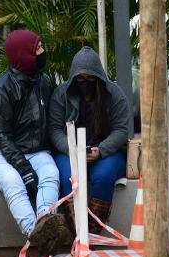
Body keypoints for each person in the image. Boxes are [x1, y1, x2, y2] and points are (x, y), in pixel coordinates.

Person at [0, 30, 72, 257]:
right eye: (37, 48)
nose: (42, 52)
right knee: (13, 182)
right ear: (24, 54)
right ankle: (35, 235)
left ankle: (44, 221)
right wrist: (25, 170)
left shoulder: (44, 82)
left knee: (50, 172)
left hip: (35, 151)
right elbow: (0, 136)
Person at [48, 46, 131, 234]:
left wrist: (101, 150)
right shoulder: (61, 94)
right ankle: (76, 230)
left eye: (90, 78)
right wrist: (72, 150)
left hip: (106, 152)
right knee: (68, 177)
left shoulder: (114, 95)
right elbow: (54, 130)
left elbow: (121, 129)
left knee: (104, 176)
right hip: (69, 151)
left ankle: (93, 232)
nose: (85, 82)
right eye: (80, 78)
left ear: (99, 77)